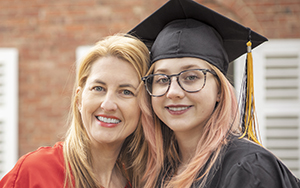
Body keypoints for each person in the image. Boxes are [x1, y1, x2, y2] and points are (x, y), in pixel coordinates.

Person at [129, 0, 300, 187]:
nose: (174, 92)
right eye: (162, 79)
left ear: (219, 89)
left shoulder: (248, 167)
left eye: (191, 77)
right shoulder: (159, 173)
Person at [0, 34, 151, 188]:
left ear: (143, 107)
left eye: (126, 92)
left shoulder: (140, 183)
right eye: (98, 88)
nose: (108, 104)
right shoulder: (35, 172)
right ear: (79, 99)